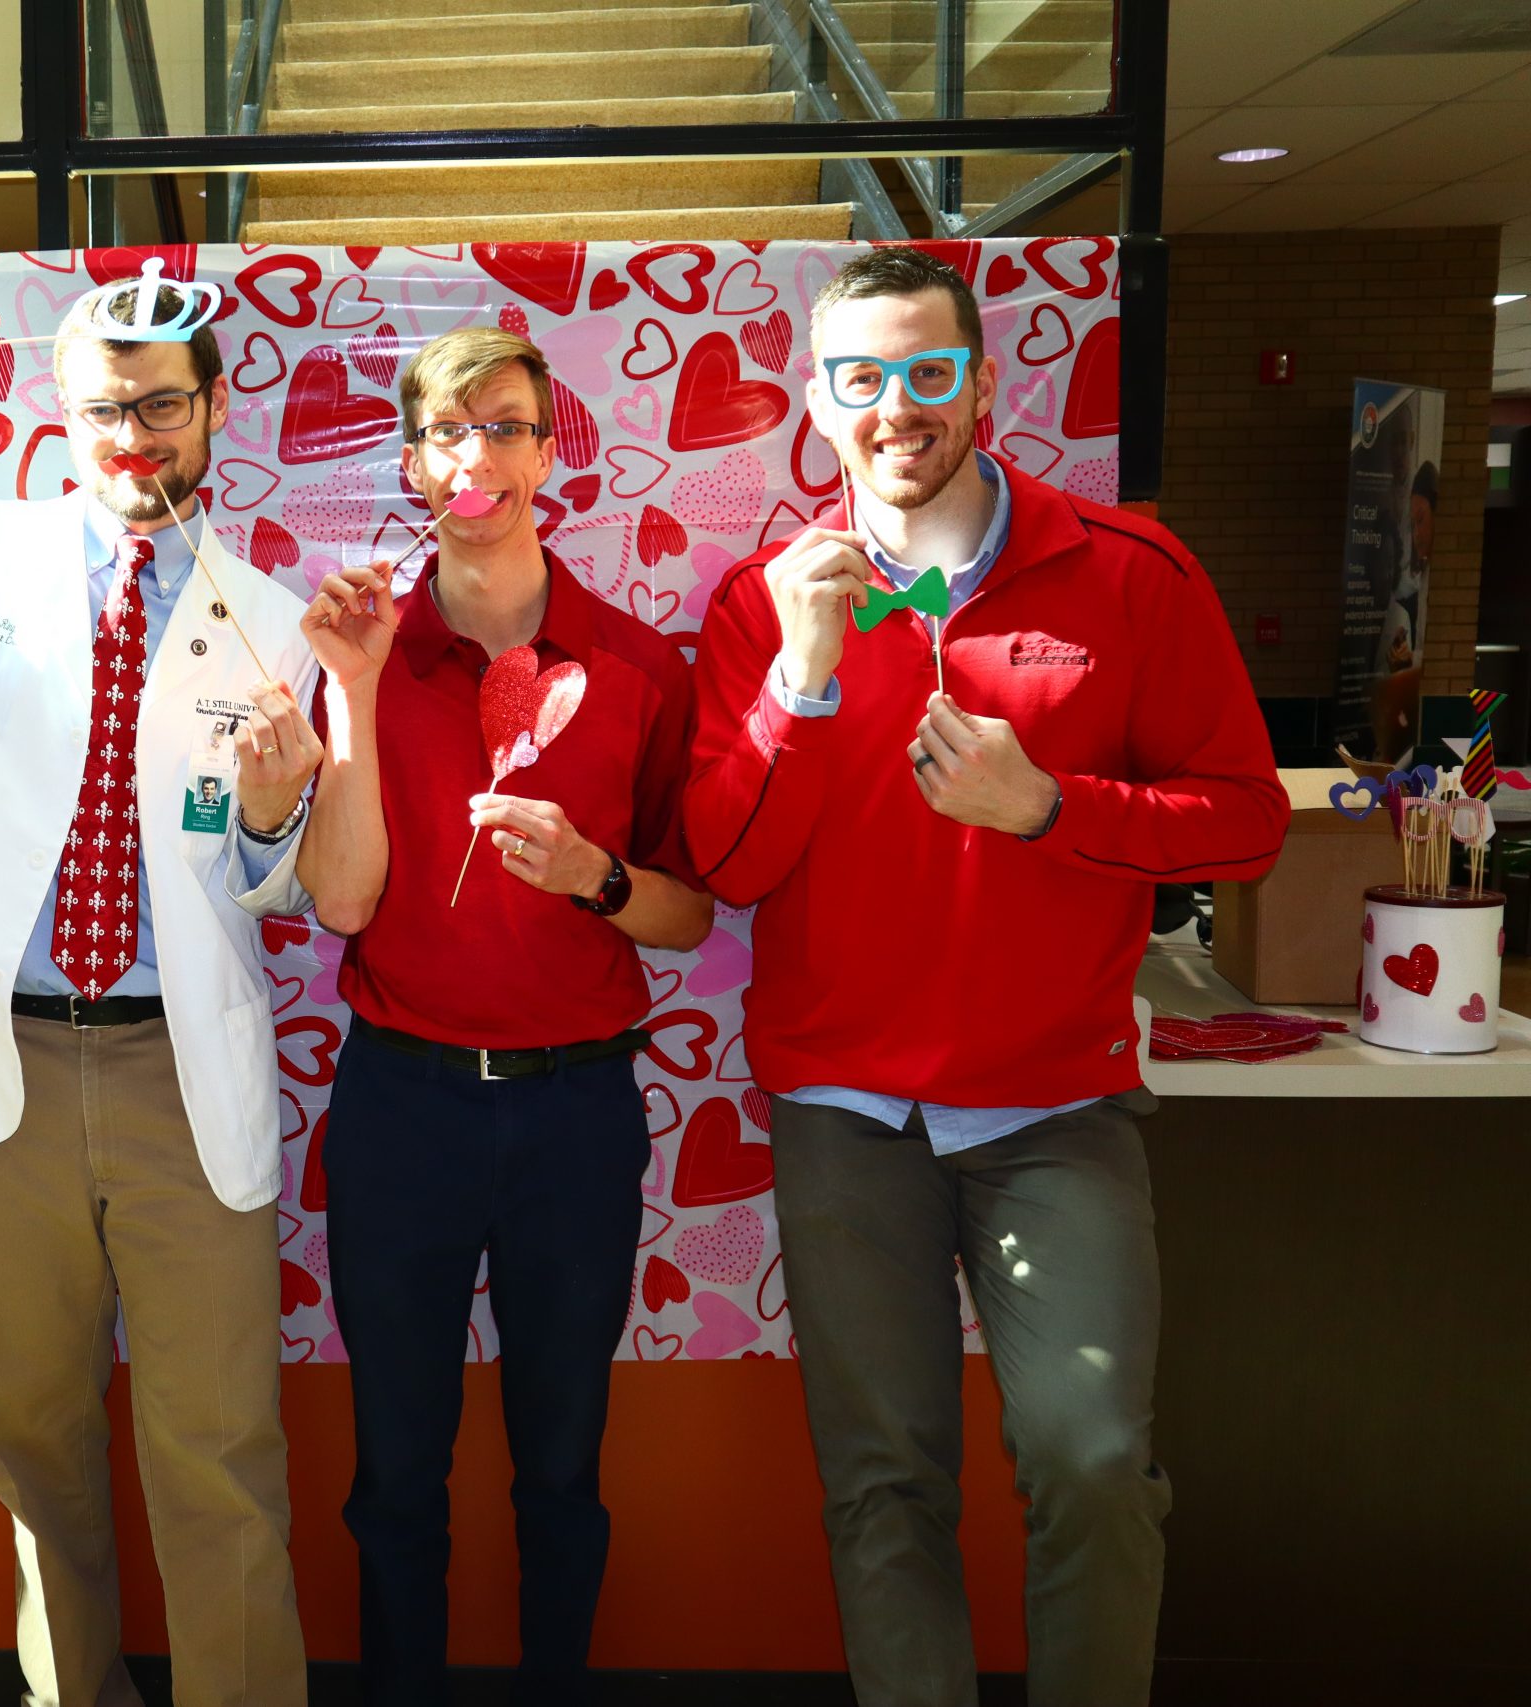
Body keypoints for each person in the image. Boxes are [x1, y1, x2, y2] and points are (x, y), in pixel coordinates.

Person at [685, 247, 1288, 1707]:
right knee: (883, 1484)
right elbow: (730, 864)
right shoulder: (764, 603)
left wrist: (1054, 808)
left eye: (931, 372)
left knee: (1090, 1460)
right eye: (864, 378)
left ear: (986, 382)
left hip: (1054, 1105)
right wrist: (804, 682)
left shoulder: (1130, 569)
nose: (900, 407)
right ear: (818, 406)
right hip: (846, 1114)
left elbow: (1248, 819)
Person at [0, 278, 322, 1707]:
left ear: (213, 409)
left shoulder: (272, 618)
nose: (132, 435)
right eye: (102, 408)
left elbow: (276, 887)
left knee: (216, 1447)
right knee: (30, 1437)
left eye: (161, 403)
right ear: (62, 419)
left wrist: (277, 817)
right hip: (4, 1059)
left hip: (175, 1072)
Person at [295, 325, 714, 1706]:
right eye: (450, 430)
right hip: (402, 1103)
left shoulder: (639, 667)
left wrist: (593, 877)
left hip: (573, 1112)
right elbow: (343, 907)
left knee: (561, 1466)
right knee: (395, 1469)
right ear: (415, 465)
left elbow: (691, 916)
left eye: (509, 425)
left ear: (548, 450)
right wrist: (353, 694)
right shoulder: (361, 648)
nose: (480, 453)